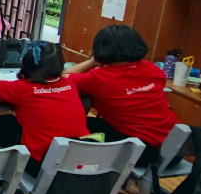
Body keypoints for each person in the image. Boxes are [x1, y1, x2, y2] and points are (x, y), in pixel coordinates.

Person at [63, 25, 178, 166]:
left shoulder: (99, 77)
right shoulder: (153, 68)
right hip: (176, 148)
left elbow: (64, 77)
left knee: (73, 125)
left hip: (144, 153)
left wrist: (93, 61)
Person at [0, 41, 89, 176]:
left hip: (42, 166)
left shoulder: (23, 89)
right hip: (78, 161)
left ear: (26, 65)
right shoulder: (70, 84)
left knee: (2, 124)